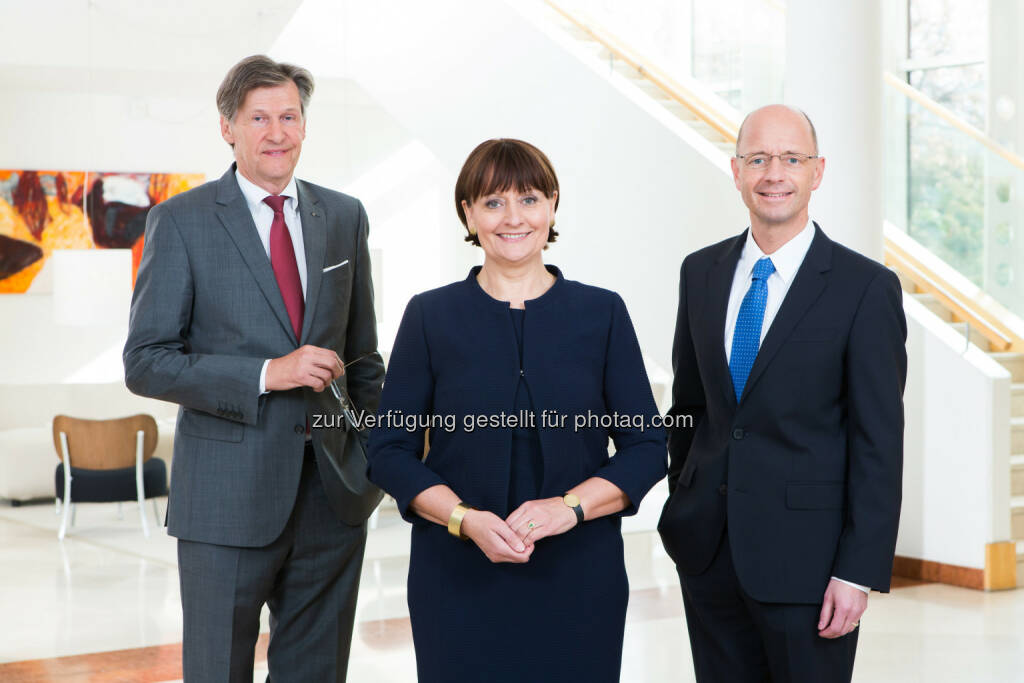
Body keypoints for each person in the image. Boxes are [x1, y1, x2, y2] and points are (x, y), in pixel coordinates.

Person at [123, 55, 384, 682]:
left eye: (289, 116)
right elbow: (146, 362)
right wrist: (268, 373)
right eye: (259, 117)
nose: (277, 132)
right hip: (225, 501)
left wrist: (372, 457)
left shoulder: (343, 216)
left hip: (332, 498)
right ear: (227, 127)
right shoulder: (181, 221)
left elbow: (364, 357)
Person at [366, 138, 666, 682]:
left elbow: (646, 447)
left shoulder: (602, 313)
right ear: (468, 213)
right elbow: (389, 450)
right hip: (456, 574)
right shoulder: (430, 316)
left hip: (581, 575)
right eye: (493, 202)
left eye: (528, 200)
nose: (513, 218)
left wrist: (568, 509)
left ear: (552, 206)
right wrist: (465, 520)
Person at [657, 104, 907, 683]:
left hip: (811, 568)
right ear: (736, 170)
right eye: (759, 158)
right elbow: (690, 410)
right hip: (708, 554)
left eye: (791, 159)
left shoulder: (865, 288)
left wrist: (857, 570)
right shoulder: (700, 273)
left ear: (817, 172)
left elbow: (879, 442)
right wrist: (684, 501)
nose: (775, 173)